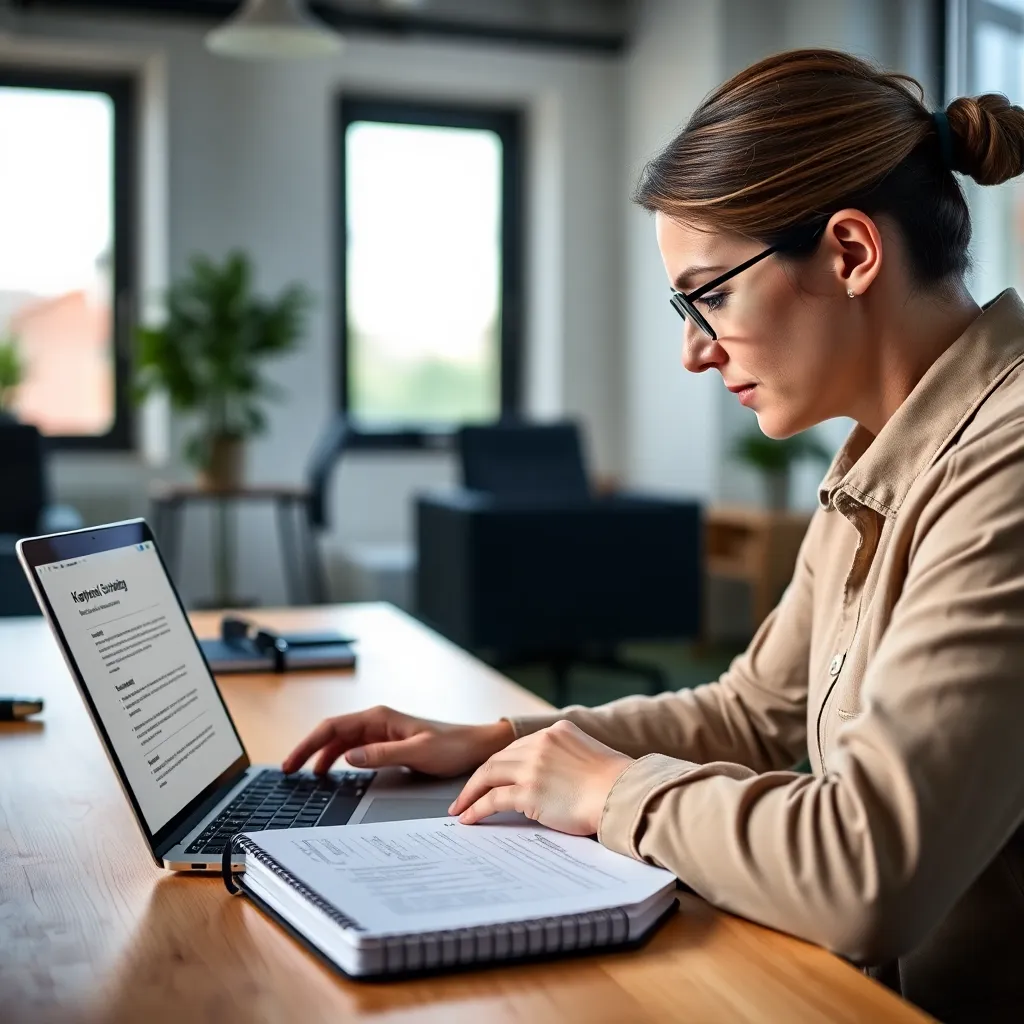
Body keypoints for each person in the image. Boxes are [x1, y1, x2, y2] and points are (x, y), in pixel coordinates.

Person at [284, 50, 1024, 1021]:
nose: (692, 350)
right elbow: (750, 713)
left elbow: (868, 867)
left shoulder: (1004, 463)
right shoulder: (880, 459)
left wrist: (614, 790)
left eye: (708, 293)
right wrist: (503, 740)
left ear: (849, 254)